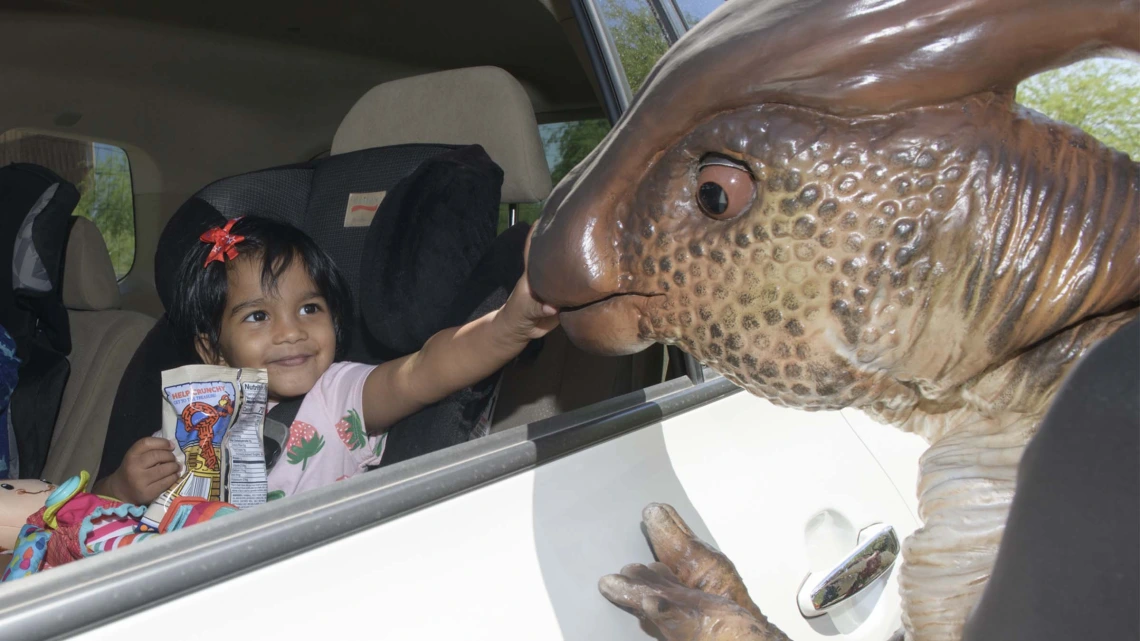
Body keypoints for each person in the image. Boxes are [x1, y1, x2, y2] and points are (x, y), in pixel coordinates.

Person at [93, 216, 558, 504]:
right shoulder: (196, 420)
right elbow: (103, 518)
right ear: (211, 349)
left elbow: (423, 371)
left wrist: (505, 328)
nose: (292, 330)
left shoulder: (338, 394)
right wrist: (119, 488)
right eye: (257, 315)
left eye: (309, 308)